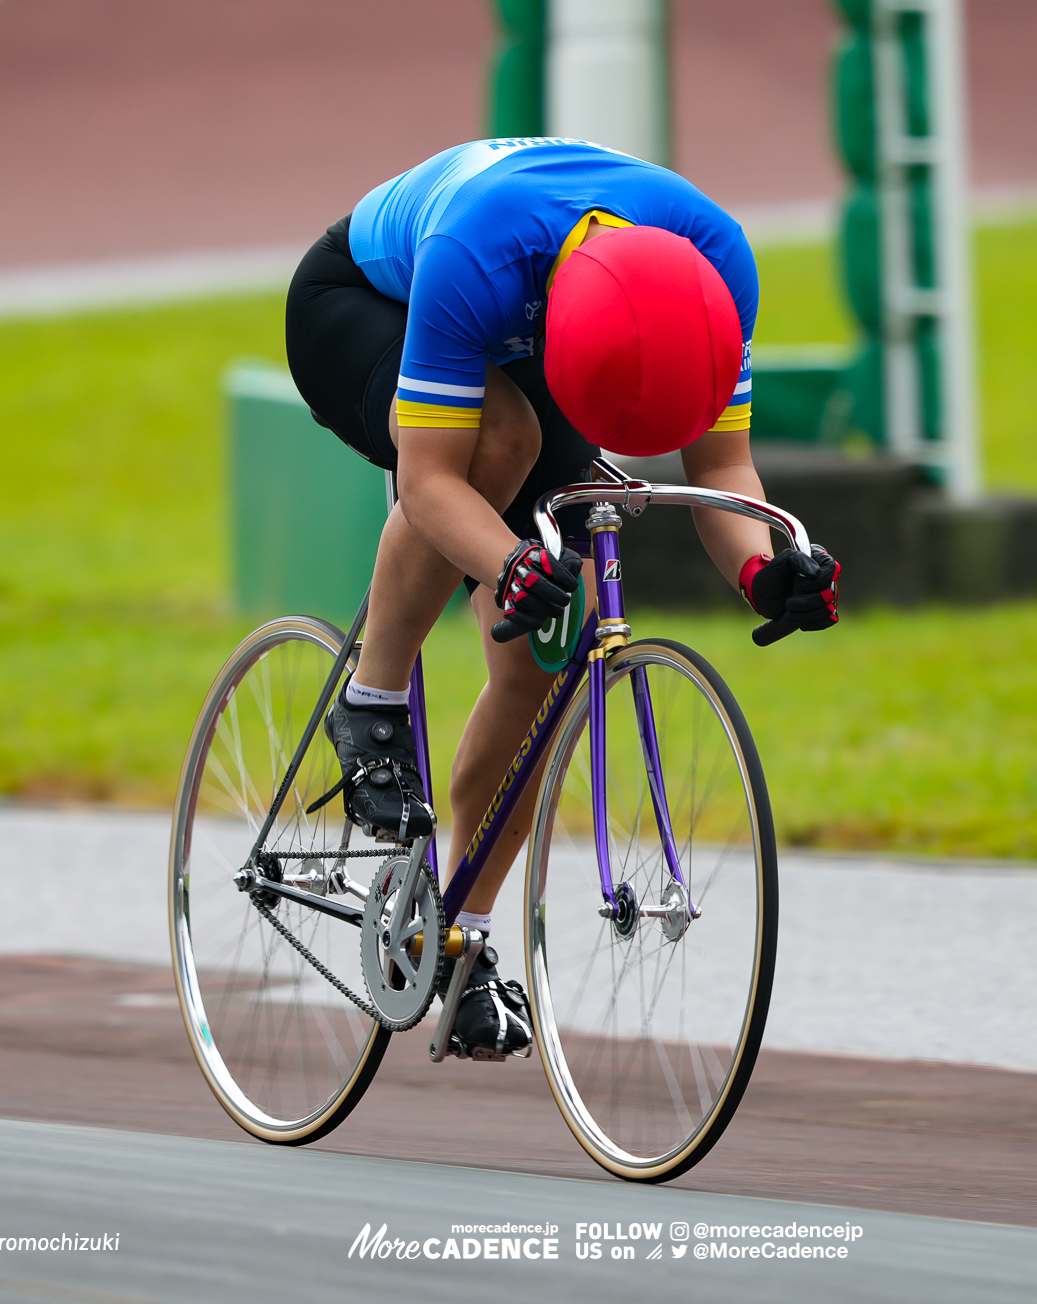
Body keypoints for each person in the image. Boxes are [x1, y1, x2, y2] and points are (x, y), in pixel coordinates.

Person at [284, 137, 840, 1058]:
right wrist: (507, 560)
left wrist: (765, 570)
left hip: (553, 332)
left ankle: (455, 938)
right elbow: (429, 483)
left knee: (545, 653)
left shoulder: (721, 266)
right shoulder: (479, 252)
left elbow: (723, 469)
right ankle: (371, 697)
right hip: (368, 298)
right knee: (494, 439)